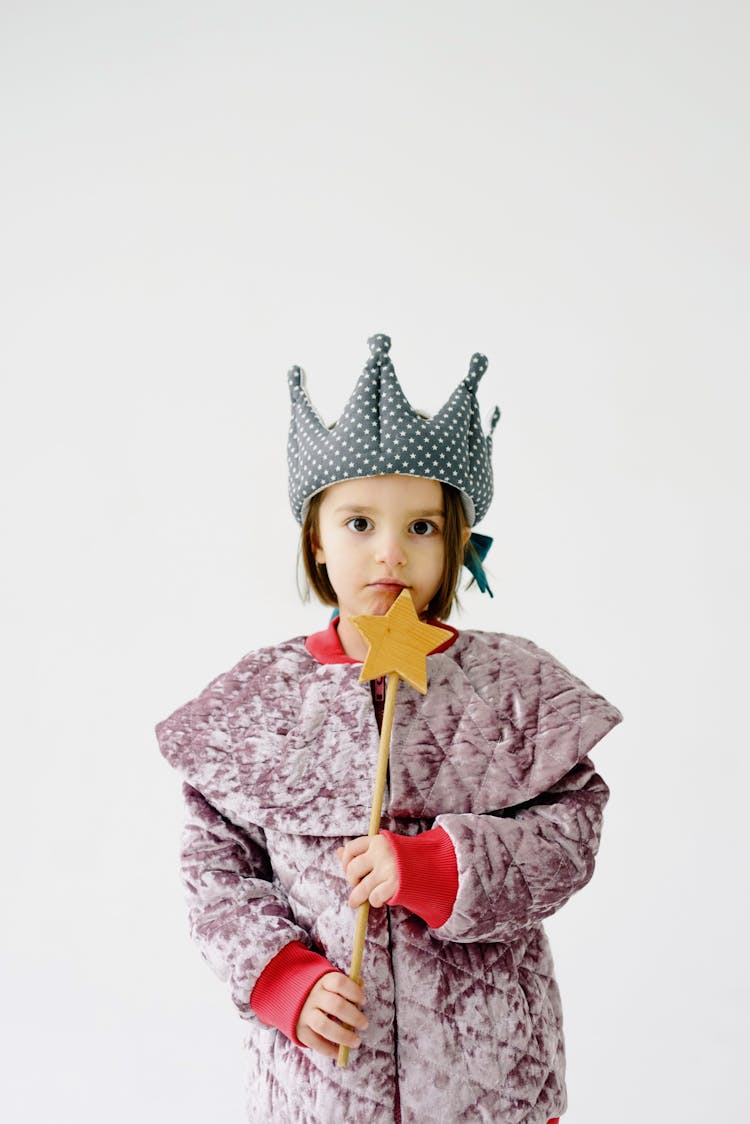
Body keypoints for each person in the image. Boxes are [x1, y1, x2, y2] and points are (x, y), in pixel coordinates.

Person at [156, 334, 621, 1124]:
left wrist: (441, 865)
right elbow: (216, 869)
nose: (390, 554)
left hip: (491, 1080)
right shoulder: (264, 697)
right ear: (316, 537)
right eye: (361, 522)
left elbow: (569, 833)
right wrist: (280, 978)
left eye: (423, 528)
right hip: (323, 1081)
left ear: (459, 541)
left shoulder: (510, 684)